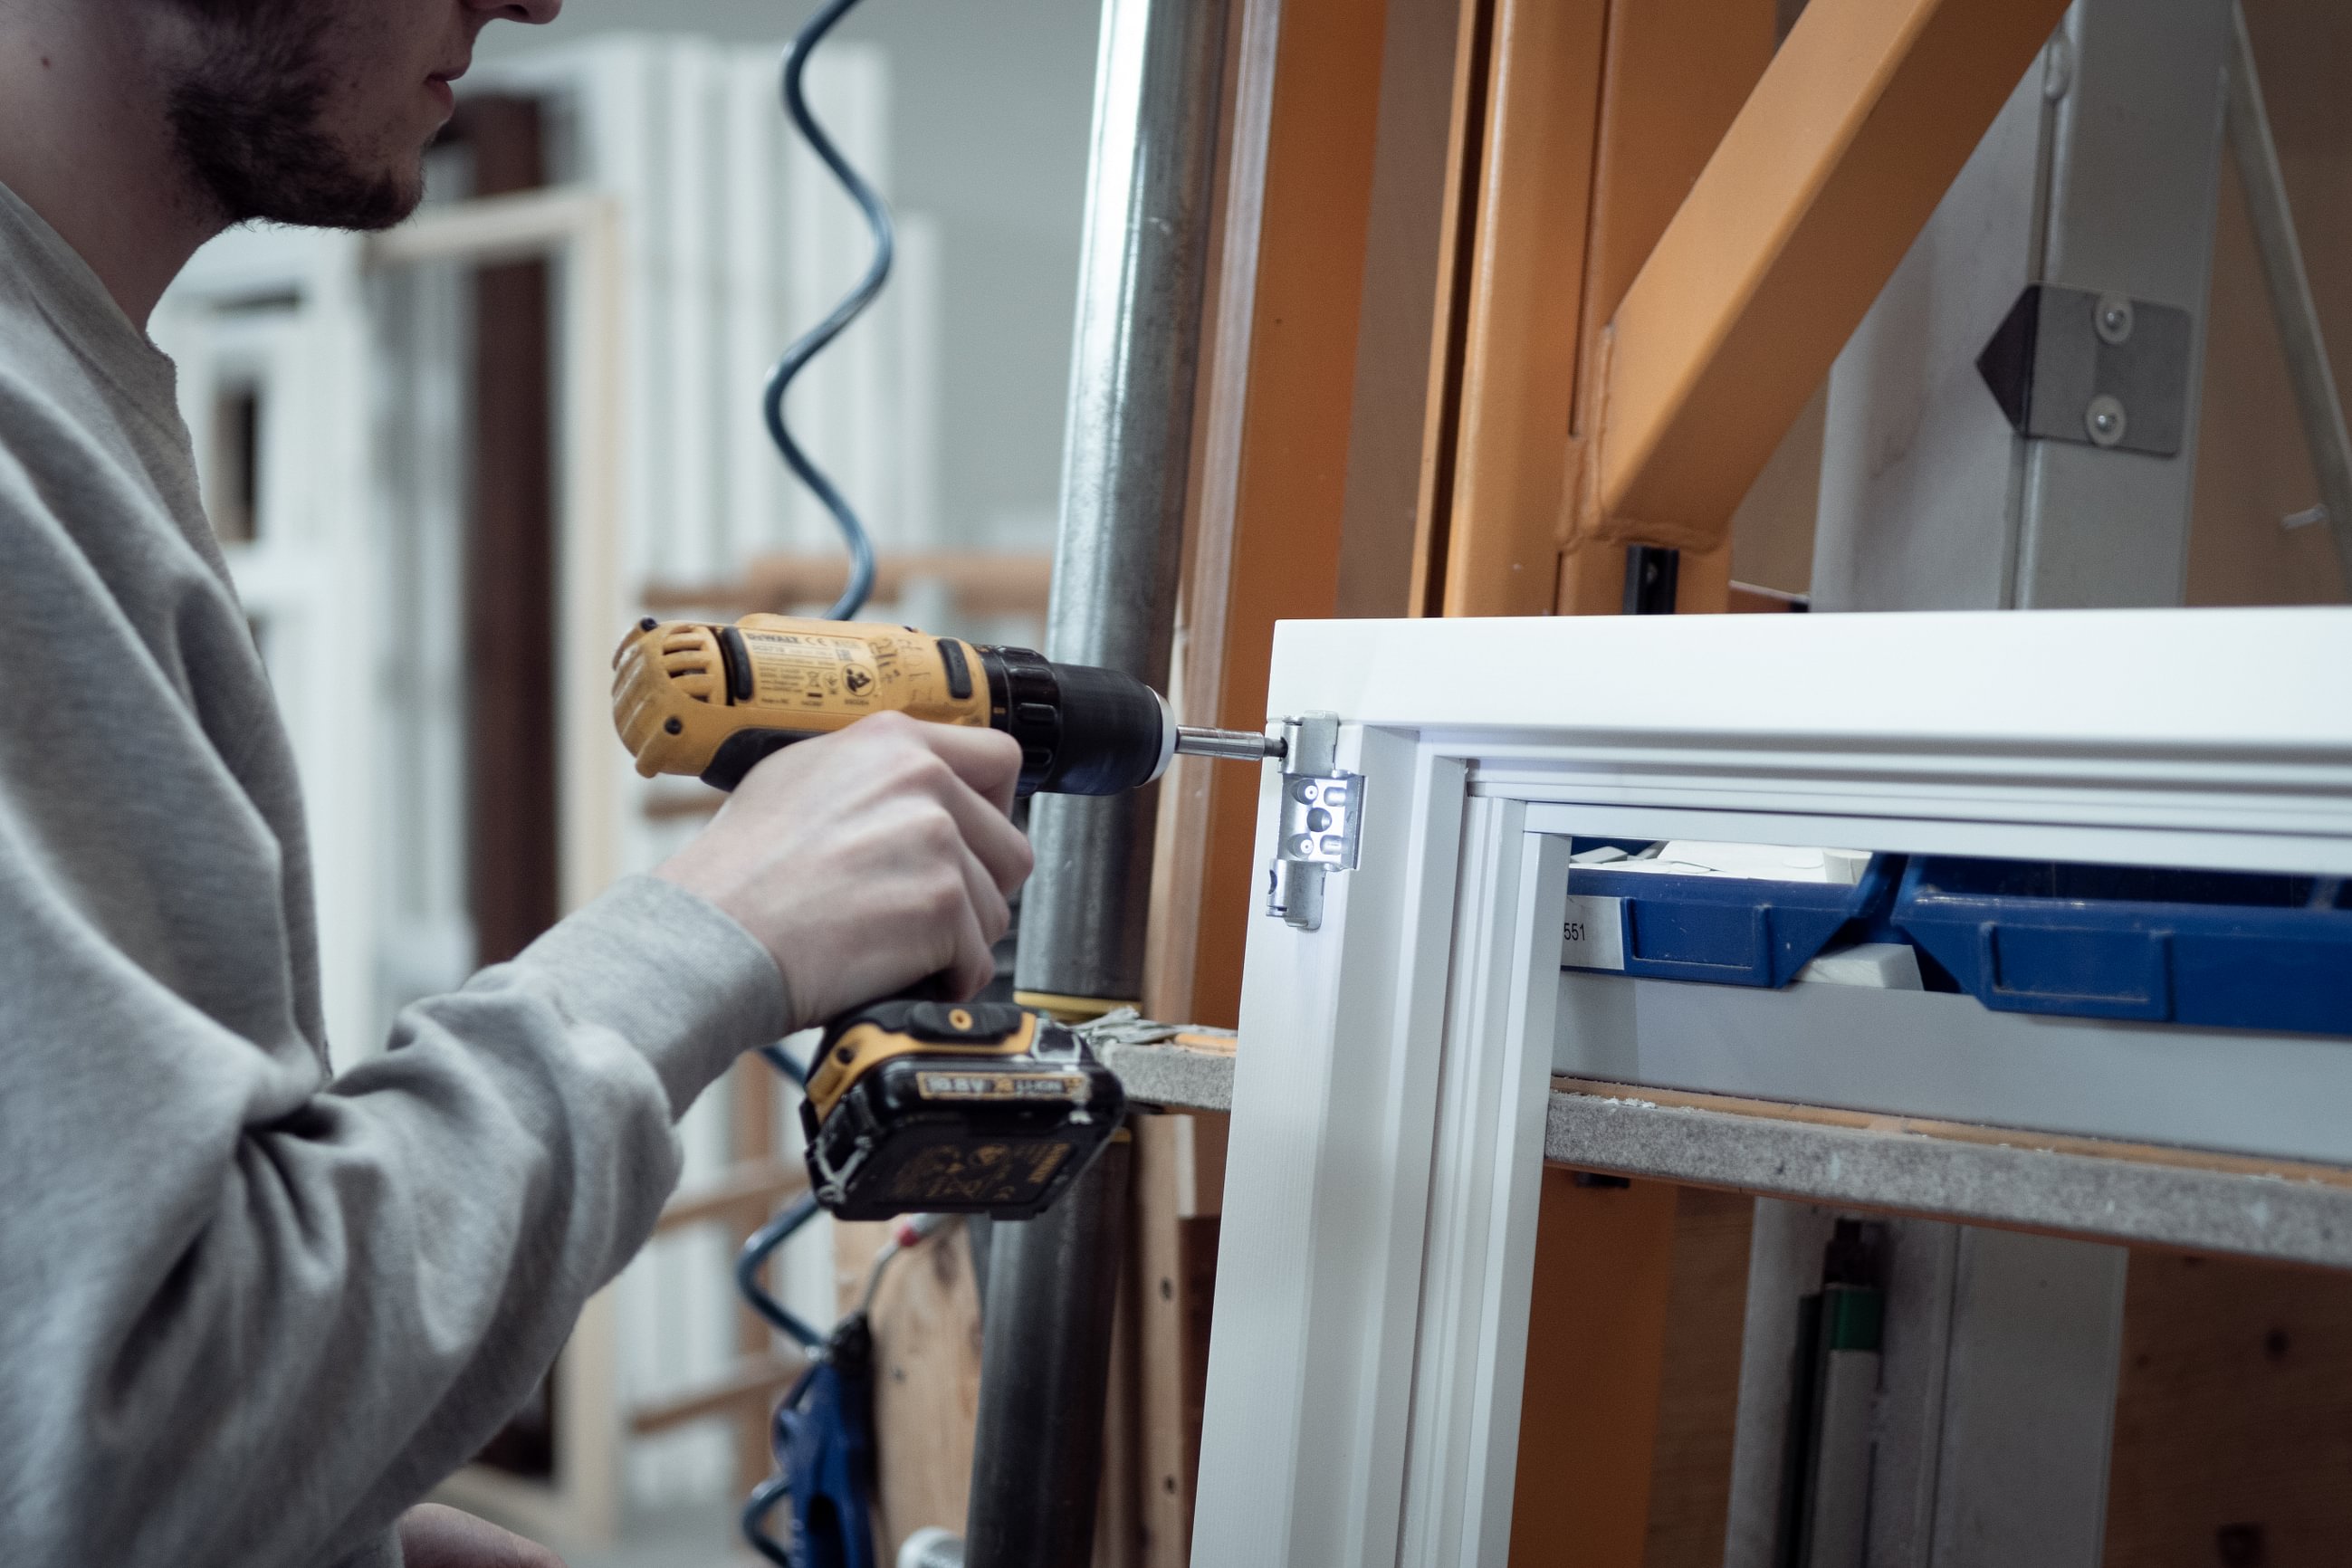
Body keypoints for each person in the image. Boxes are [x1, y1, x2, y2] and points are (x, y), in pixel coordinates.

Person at [0, 3, 1035, 1565]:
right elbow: (125, 1461)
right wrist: (714, 931)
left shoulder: (68, 393)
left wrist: (355, 1535)